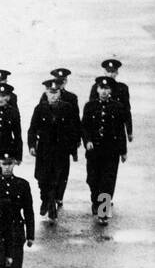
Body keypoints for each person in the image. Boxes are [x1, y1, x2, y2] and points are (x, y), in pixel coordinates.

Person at [27, 79, 81, 223]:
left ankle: (51, 207)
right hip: (44, 152)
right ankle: (46, 200)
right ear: (46, 92)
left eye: (56, 92)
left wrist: (73, 148)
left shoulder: (67, 108)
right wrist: (32, 146)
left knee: (55, 180)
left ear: (59, 93)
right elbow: (32, 129)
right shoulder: (40, 109)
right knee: (42, 179)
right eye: (50, 93)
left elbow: (73, 129)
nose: (53, 96)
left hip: (60, 151)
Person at [81, 77, 128, 224]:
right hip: (94, 151)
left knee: (107, 181)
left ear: (111, 91)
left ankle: (103, 212)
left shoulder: (118, 107)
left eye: (107, 89)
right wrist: (87, 141)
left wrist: (123, 151)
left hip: (111, 151)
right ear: (97, 89)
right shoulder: (89, 106)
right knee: (93, 179)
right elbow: (84, 127)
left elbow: (121, 130)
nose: (104, 91)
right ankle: (96, 201)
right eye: (101, 88)